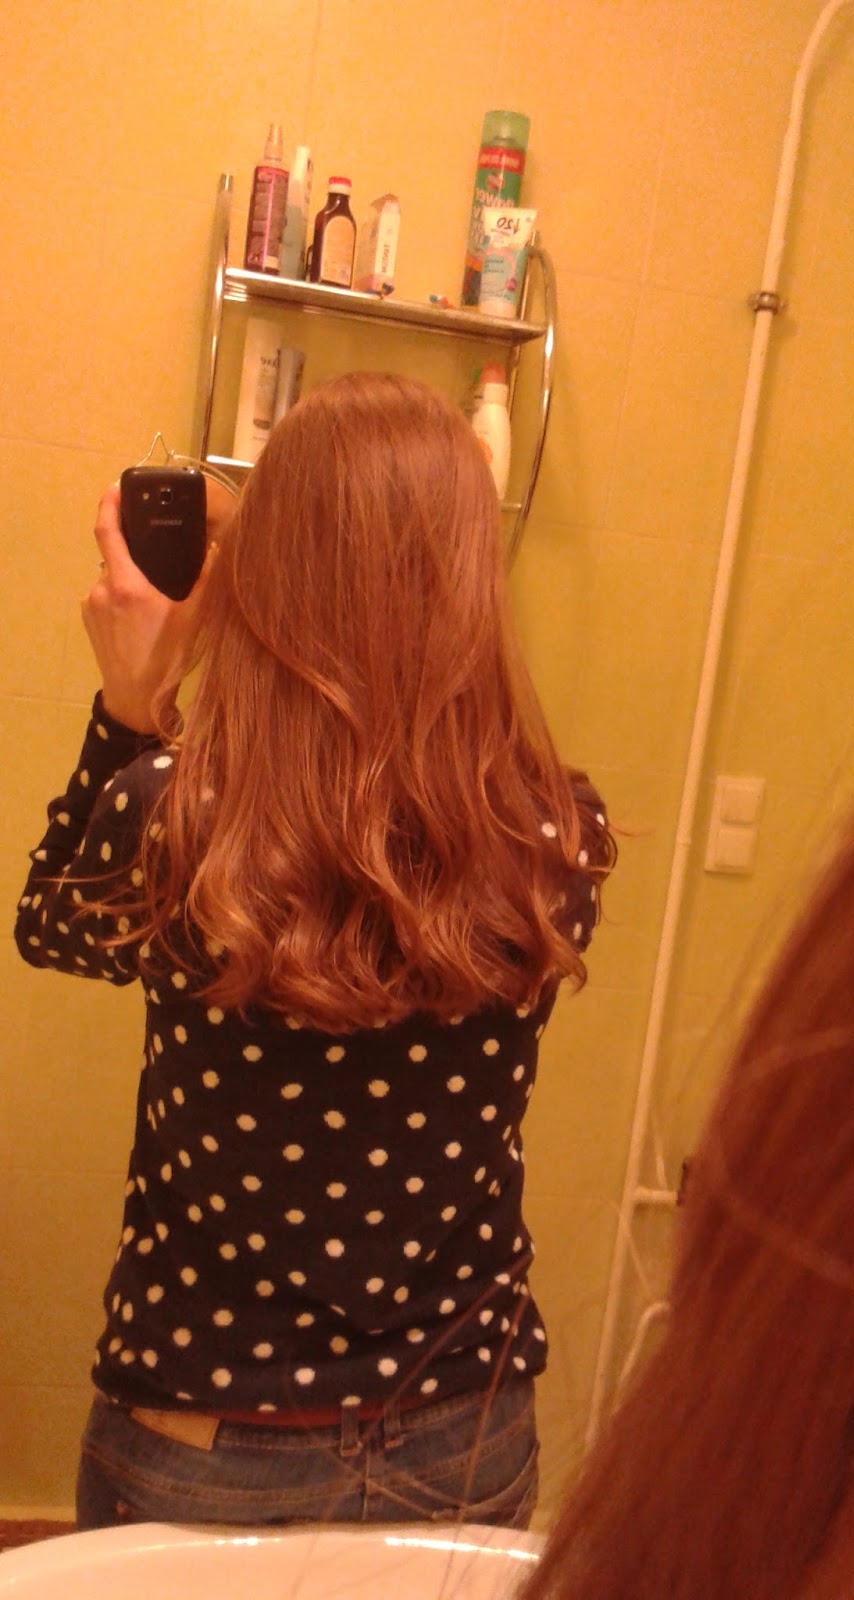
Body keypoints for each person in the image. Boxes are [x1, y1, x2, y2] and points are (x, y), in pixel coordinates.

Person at [13, 372, 615, 1532]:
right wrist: (312, 524)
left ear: (264, 581)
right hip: (464, 1427)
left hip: (204, 1429)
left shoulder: (175, 816)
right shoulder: (554, 828)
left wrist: (132, 705)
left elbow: (54, 927)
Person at [520, 623, 854, 1599]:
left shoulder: (180, 809)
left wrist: (162, 688)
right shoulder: (554, 829)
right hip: (460, 1379)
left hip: (210, 1388)